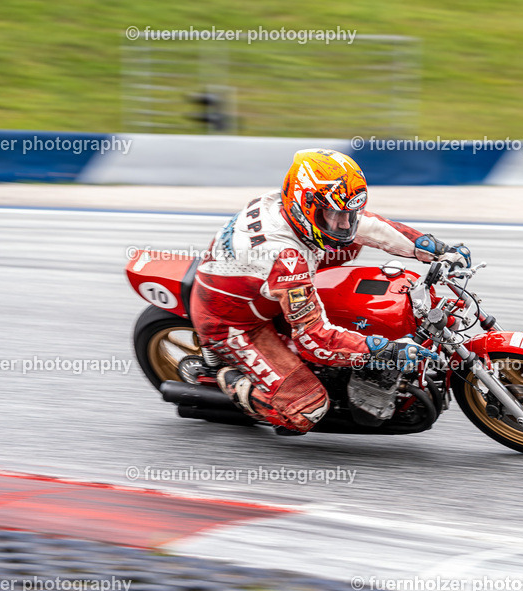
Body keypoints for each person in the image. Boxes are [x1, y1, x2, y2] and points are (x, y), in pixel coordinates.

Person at [190, 148, 471, 434]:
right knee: (307, 409)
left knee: (351, 240)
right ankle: (231, 380)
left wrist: (436, 250)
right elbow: (314, 341)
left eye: (350, 213)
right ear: (304, 206)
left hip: (266, 282)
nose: (346, 223)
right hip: (234, 322)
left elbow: (370, 226)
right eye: (335, 215)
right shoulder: (284, 257)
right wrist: (382, 349)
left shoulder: (287, 203)